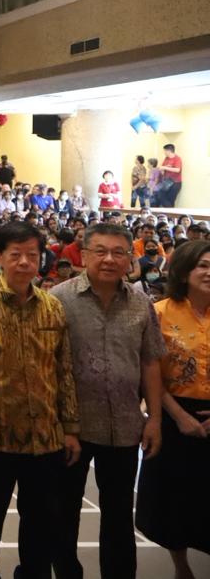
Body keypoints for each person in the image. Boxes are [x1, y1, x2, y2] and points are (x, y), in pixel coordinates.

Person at [0, 220, 80, 579]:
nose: (25, 262)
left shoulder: (53, 307)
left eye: (32, 255)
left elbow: (63, 371)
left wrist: (70, 428)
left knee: (41, 529)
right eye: (16, 255)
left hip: (45, 439)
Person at [49, 222, 164, 579]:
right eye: (100, 251)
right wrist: (60, 424)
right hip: (72, 427)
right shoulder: (58, 300)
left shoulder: (141, 303)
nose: (109, 259)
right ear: (84, 255)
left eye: (118, 252)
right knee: (63, 513)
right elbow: (47, 364)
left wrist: (155, 418)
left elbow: (150, 362)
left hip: (125, 426)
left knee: (118, 514)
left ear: (130, 258)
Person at [135, 239, 210, 579]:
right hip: (173, 412)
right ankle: (181, 567)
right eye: (202, 265)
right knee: (174, 500)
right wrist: (178, 417)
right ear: (183, 271)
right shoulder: (160, 312)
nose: (209, 272)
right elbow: (150, 370)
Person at [157, 143, 183, 207]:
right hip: (167, 181)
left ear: (169, 151)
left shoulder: (177, 158)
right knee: (160, 194)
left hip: (175, 183)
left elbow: (177, 170)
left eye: (165, 151)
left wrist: (165, 167)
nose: (164, 152)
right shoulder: (166, 158)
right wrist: (162, 170)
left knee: (171, 200)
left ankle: (170, 212)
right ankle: (170, 211)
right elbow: (163, 168)